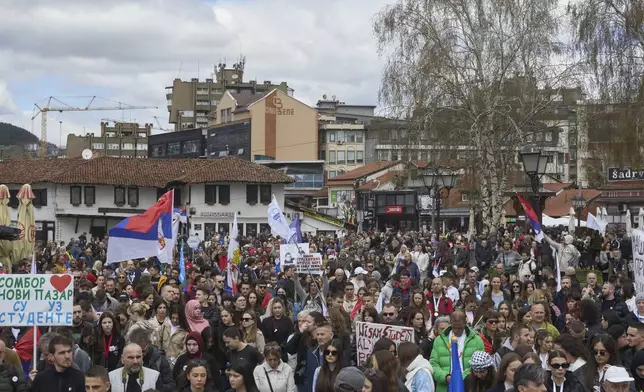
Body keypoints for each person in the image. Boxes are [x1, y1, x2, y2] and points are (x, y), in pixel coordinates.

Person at [429, 311, 485, 392]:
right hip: (445, 387)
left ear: (465, 323)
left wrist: (460, 378)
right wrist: (445, 377)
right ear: (450, 323)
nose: (457, 331)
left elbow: (480, 365)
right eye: (454, 327)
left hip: (469, 386)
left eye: (460, 328)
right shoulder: (439, 340)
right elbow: (433, 364)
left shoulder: (476, 340)